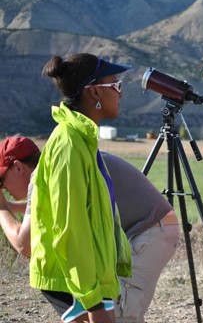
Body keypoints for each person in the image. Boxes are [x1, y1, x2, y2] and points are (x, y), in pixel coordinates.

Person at [0, 136, 180, 323]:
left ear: (18, 167)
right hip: (152, 229)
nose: (4, 188)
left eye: (1, 180)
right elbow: (48, 206)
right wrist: (10, 206)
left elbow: (24, 245)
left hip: (147, 232)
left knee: (118, 317)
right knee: (108, 313)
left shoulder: (44, 173)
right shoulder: (59, 162)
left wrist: (1, 207)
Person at [29, 53, 133, 323]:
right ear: (95, 91)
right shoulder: (69, 144)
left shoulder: (83, 138)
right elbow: (70, 227)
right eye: (116, 86)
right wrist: (92, 299)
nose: (120, 94)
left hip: (90, 275)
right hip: (73, 279)